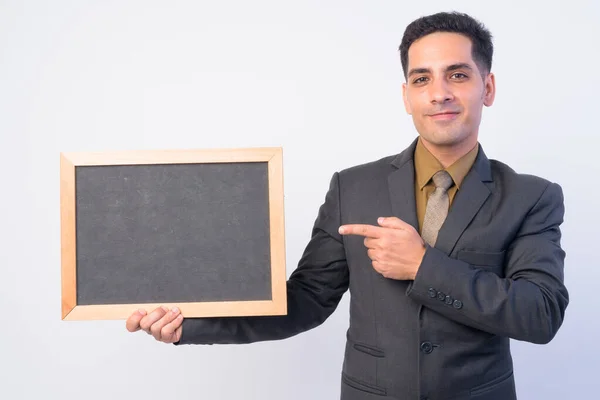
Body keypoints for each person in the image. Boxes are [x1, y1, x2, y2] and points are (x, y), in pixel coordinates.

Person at [126, 11, 568, 400]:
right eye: (422, 79)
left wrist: (422, 265)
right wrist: (191, 325)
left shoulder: (532, 196)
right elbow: (305, 302)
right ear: (406, 95)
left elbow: (540, 313)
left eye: (457, 75)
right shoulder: (352, 188)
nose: (439, 93)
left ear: (486, 87)